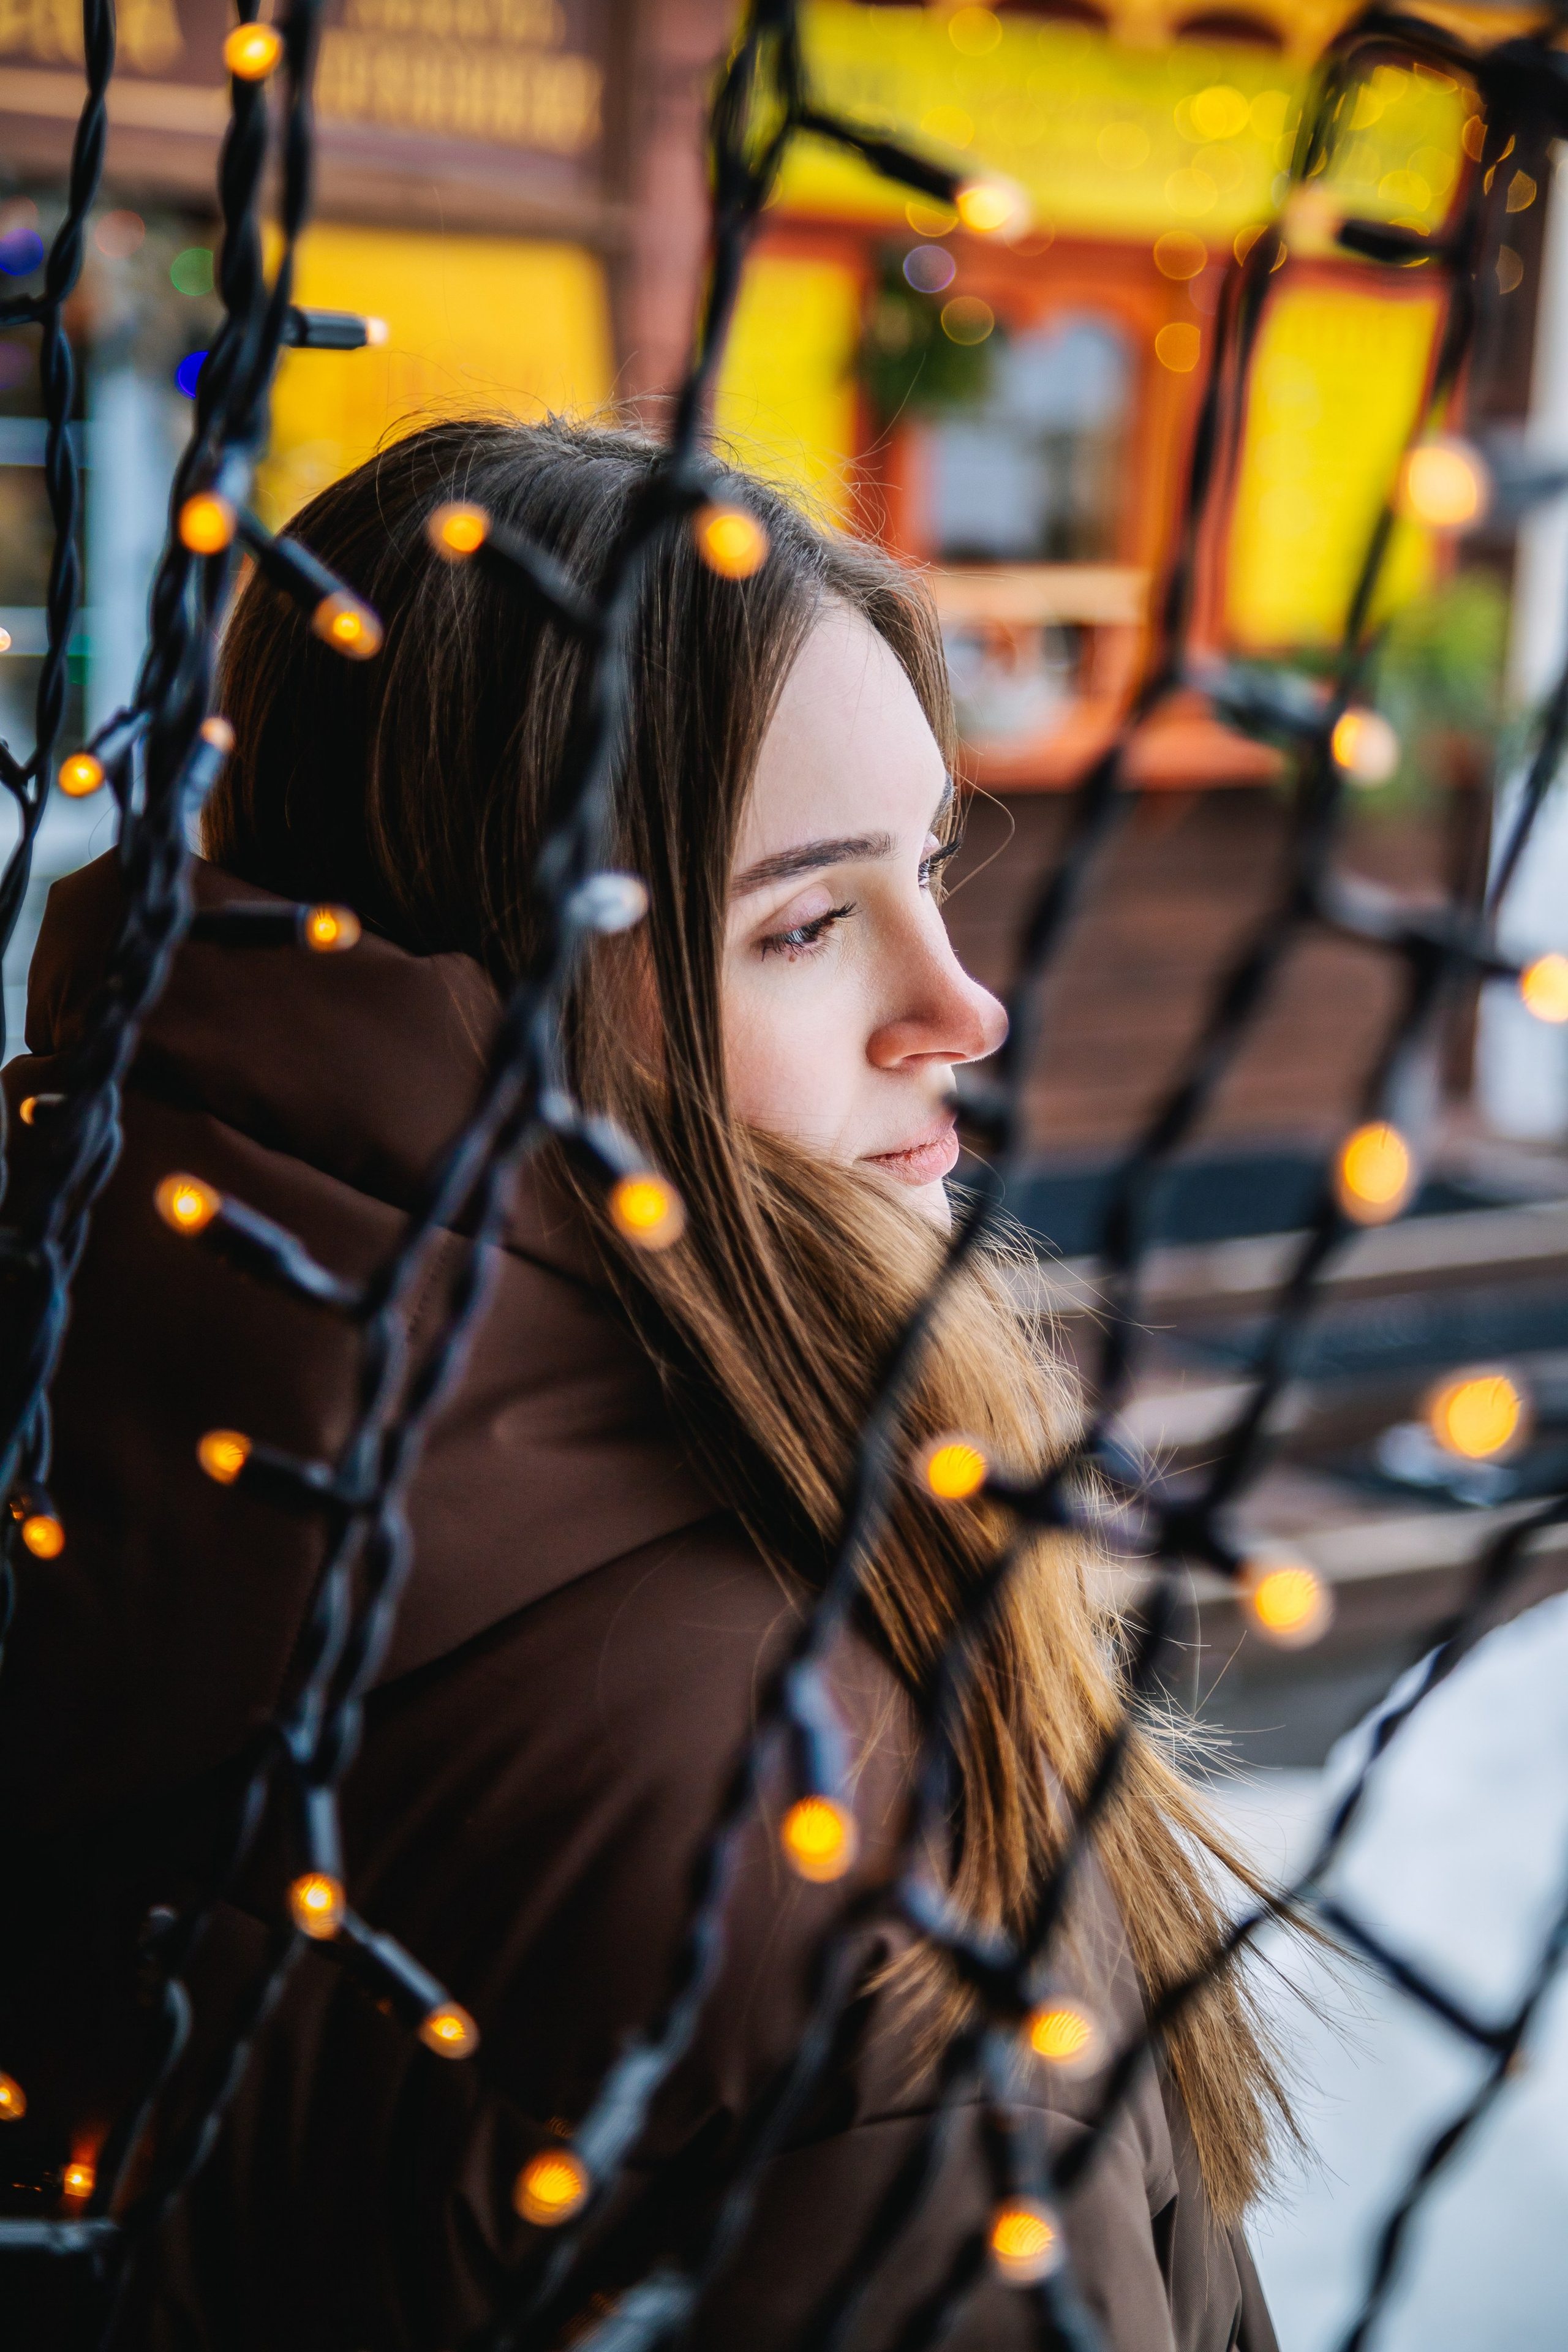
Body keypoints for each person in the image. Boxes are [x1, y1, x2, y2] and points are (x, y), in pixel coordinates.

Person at [0, 418, 1286, 2350]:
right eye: (802, 921)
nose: (965, 1006)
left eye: (931, 867)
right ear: (496, 981)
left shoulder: (99, 1438)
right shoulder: (823, 1811)